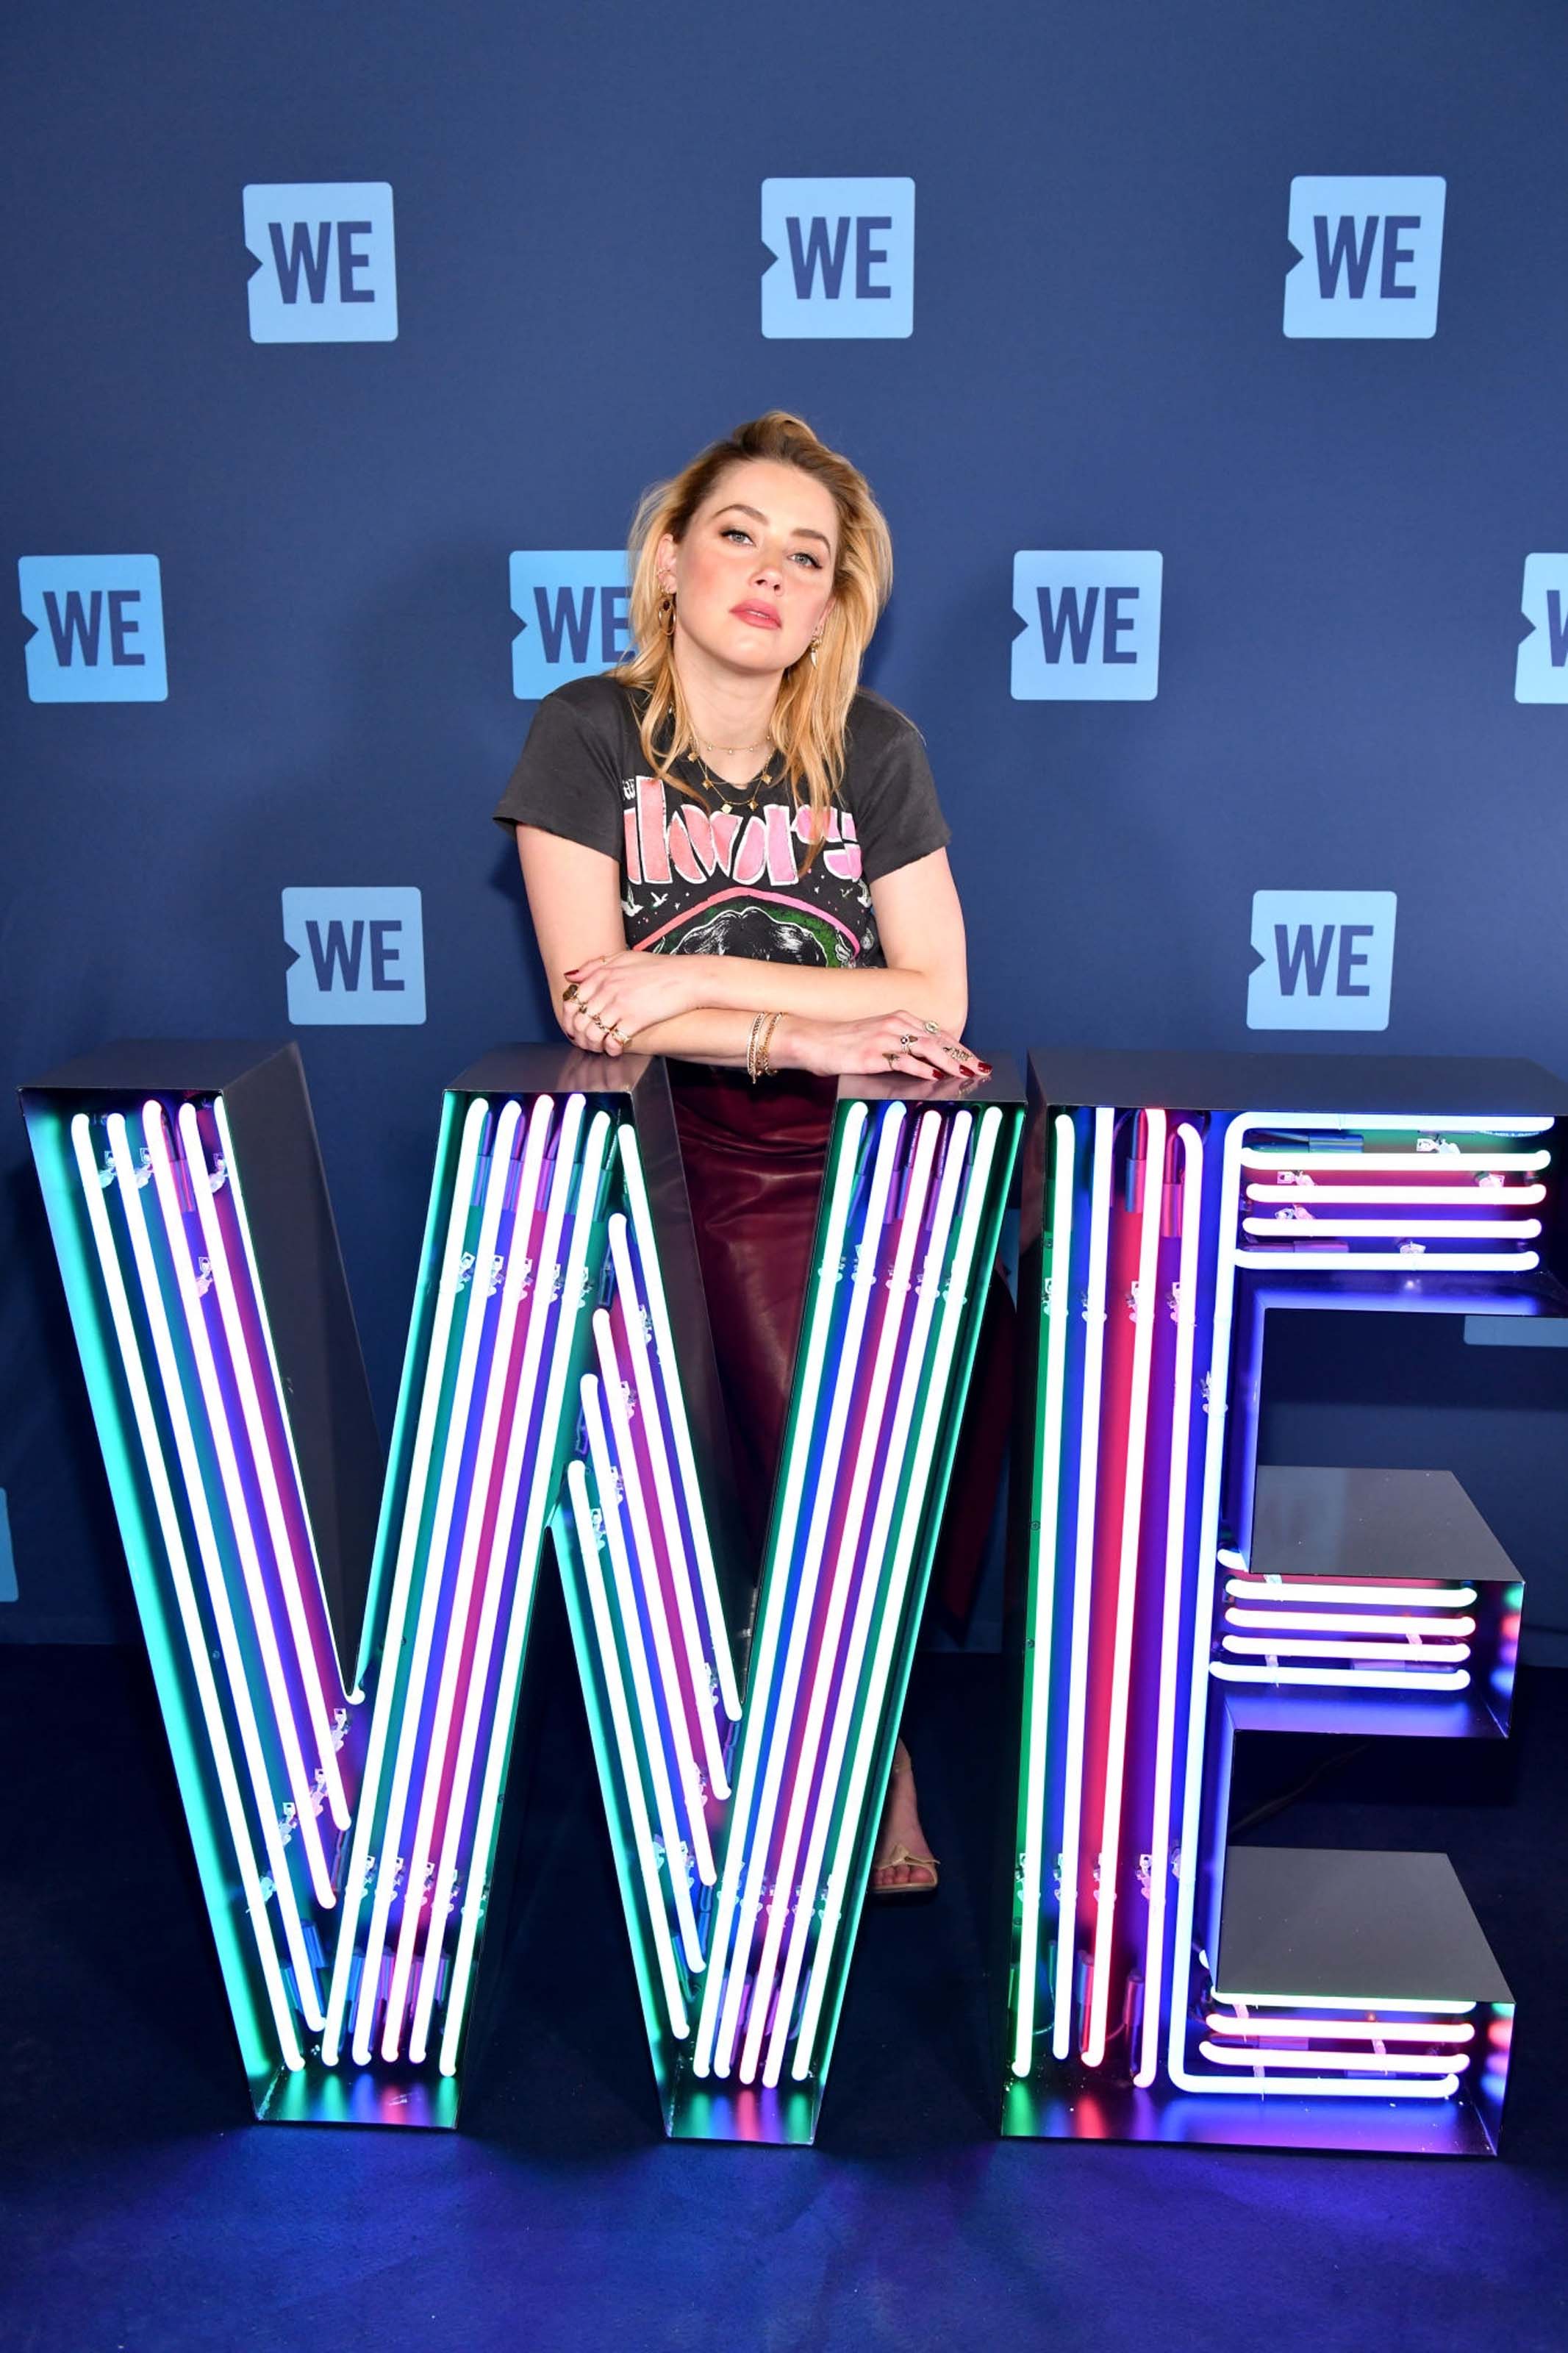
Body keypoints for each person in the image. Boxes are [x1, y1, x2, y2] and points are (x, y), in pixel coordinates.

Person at [494, 410, 989, 1894]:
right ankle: (796, 1759)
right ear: (666, 558)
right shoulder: (587, 732)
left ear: (834, 601)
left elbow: (935, 996)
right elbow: (593, 993)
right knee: (758, 1468)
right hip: (673, 1154)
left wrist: (700, 992)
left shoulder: (869, 746)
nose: (769, 573)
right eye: (737, 534)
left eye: (807, 556)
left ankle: (866, 1733)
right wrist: (799, 1033)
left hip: (873, 1151)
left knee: (876, 1467)